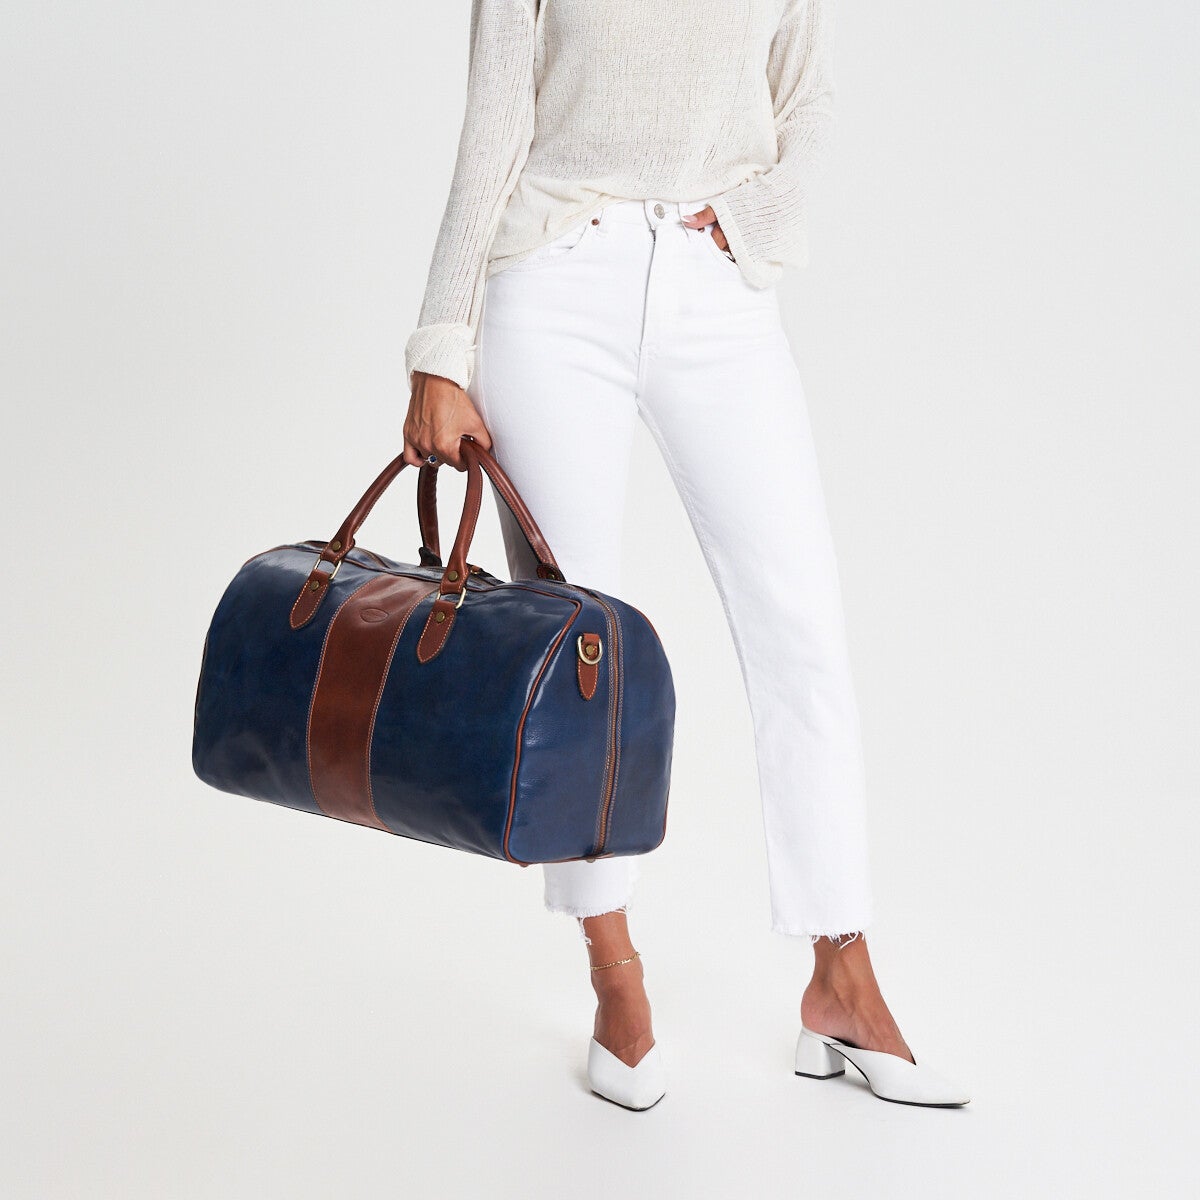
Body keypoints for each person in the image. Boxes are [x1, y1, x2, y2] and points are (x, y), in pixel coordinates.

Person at [401, 0, 969, 1110]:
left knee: (802, 630)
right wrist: (441, 345)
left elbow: (807, 96)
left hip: (718, 293)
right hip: (554, 279)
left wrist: (756, 213)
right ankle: (615, 974)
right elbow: (495, 118)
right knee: (577, 652)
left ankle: (843, 977)